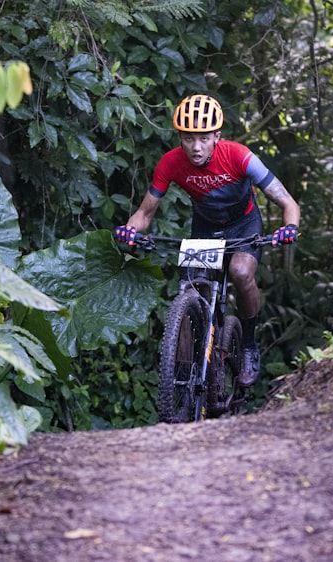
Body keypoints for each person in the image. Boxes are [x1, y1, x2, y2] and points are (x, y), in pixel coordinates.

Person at [114, 94, 300, 386]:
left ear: (217, 136)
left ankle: (249, 343)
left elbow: (289, 203)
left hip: (243, 225)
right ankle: (184, 372)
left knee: (240, 272)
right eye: (188, 138)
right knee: (192, 286)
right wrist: (130, 229)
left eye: (203, 138)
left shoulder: (240, 157)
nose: (195, 147)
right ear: (180, 137)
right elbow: (144, 214)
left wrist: (289, 227)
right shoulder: (171, 163)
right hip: (206, 228)